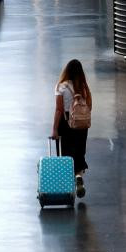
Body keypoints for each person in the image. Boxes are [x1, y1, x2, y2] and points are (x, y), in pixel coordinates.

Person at [51, 59, 92, 197]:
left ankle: (67, 190)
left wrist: (55, 129)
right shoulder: (84, 87)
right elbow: (89, 107)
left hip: (66, 123)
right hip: (82, 125)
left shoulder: (61, 87)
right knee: (79, 154)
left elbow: (58, 110)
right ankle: (79, 177)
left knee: (67, 154)